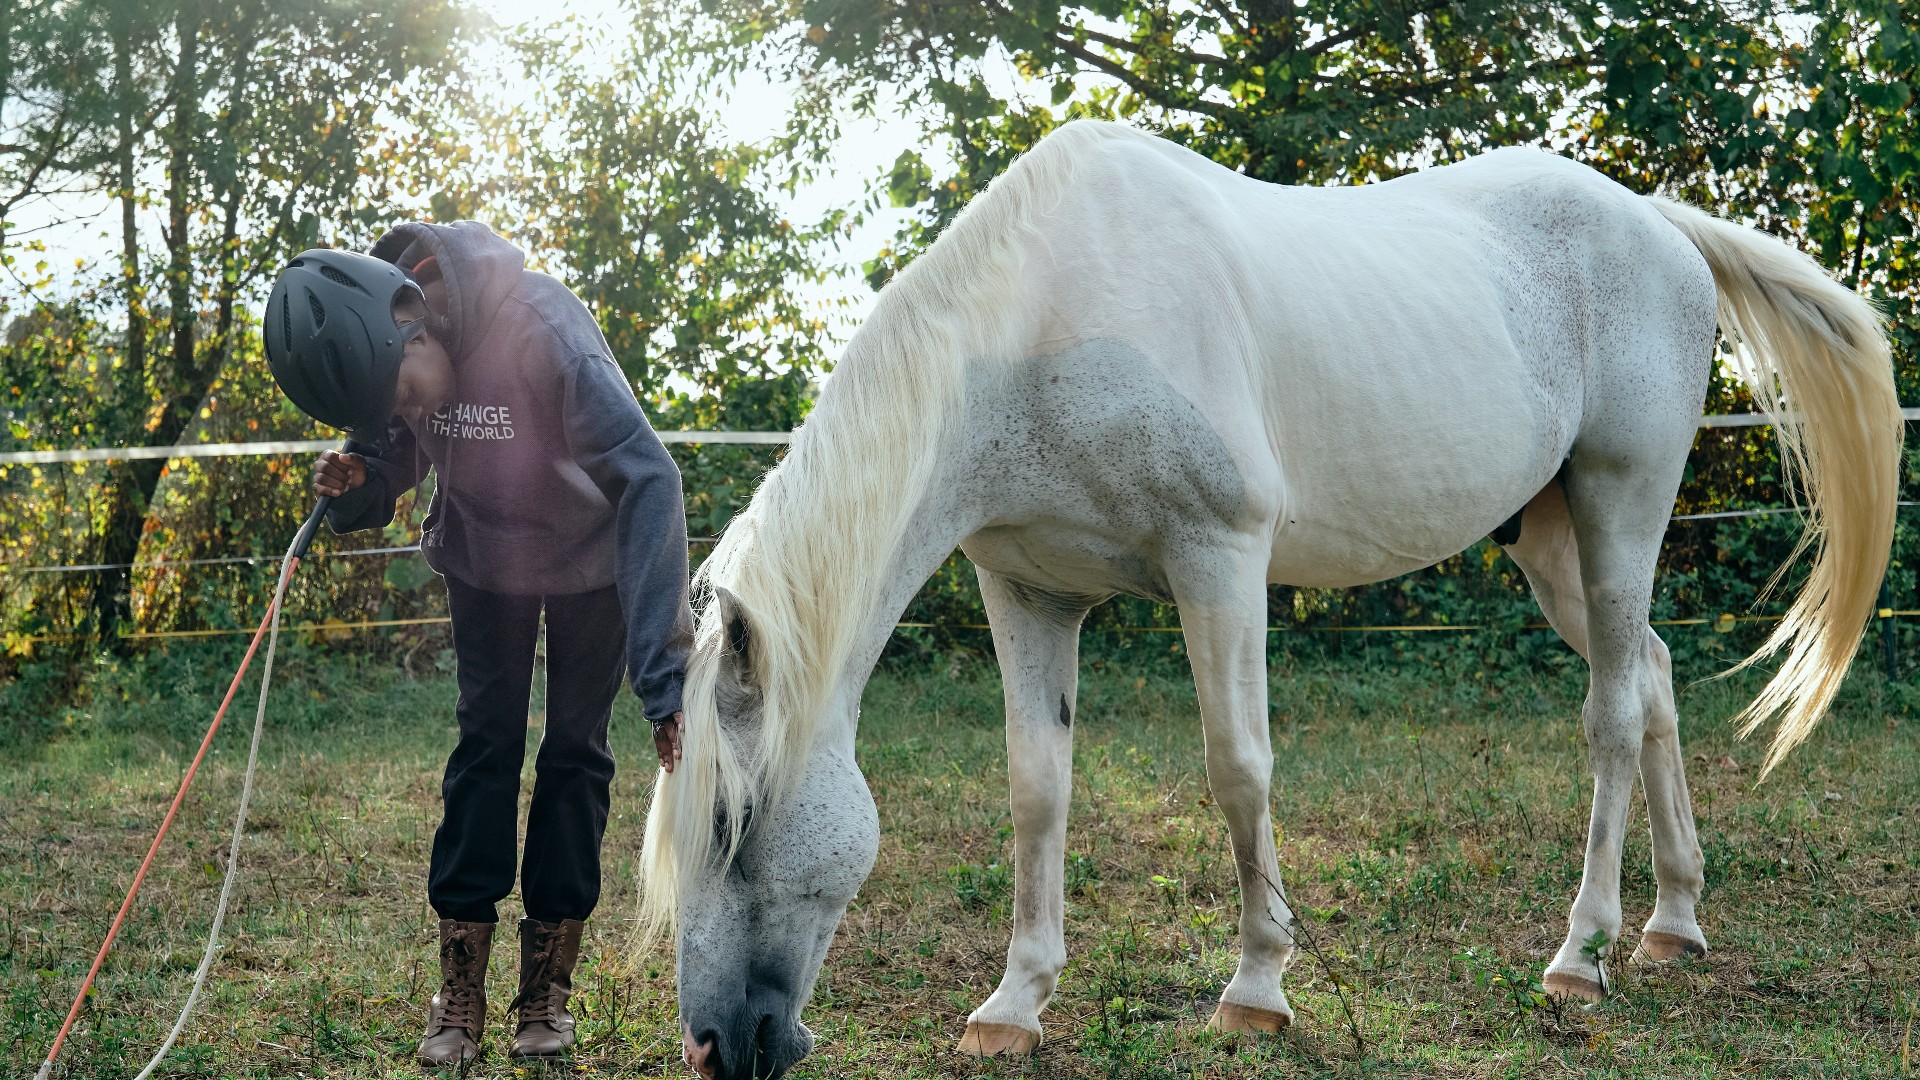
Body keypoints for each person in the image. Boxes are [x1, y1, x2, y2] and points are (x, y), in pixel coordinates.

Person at [264, 223, 692, 1067]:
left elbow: (652, 479)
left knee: (575, 753)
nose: (408, 417)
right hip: (483, 559)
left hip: (591, 563)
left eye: (407, 396)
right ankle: (459, 994)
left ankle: (546, 993)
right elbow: (395, 456)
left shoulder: (546, 333)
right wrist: (362, 484)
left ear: (415, 329)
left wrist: (663, 672)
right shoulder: (387, 344)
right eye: (392, 412)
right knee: (485, 748)